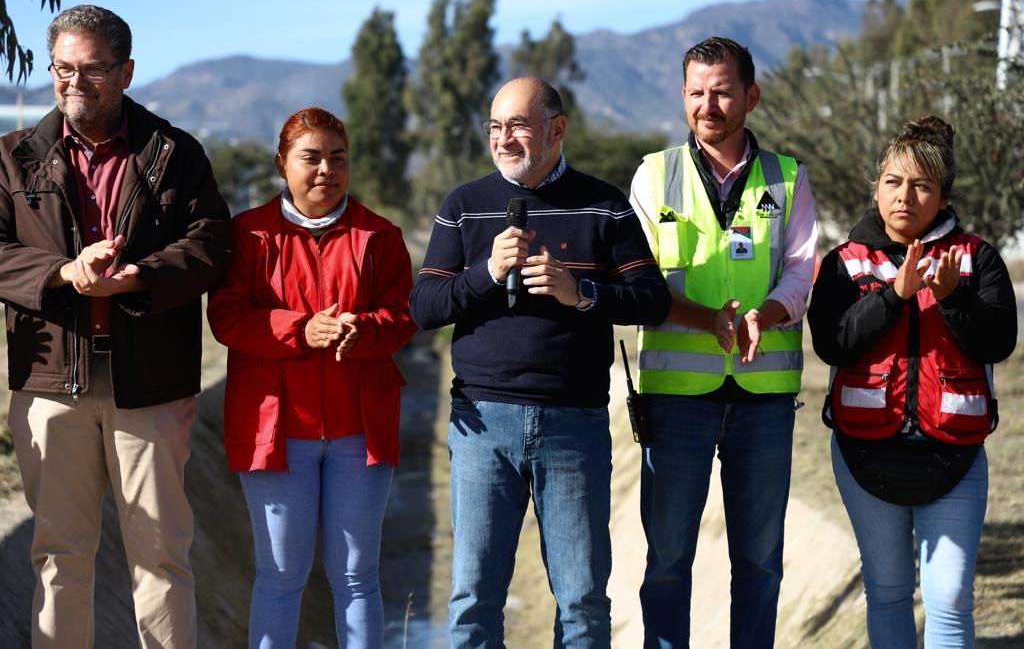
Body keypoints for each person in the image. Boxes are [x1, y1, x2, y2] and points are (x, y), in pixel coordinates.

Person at [409, 77, 670, 648]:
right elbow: (424, 307)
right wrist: (485, 274)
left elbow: (653, 299)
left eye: (518, 126)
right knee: (474, 599)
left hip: (573, 423)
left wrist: (582, 294)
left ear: (556, 129)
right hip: (481, 423)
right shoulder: (464, 207)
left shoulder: (604, 204)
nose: (504, 139)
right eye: (495, 128)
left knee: (581, 600)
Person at [0, 5, 230, 648]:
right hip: (48, 386)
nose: (75, 82)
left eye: (93, 69)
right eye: (63, 69)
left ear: (126, 71)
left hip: (151, 384)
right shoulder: (12, 158)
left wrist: (139, 277)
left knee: (160, 558)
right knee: (58, 558)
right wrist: (63, 271)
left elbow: (212, 245)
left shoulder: (176, 154)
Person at [628, 36, 819, 648]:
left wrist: (766, 311)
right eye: (695, 92)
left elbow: (800, 268)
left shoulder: (787, 177)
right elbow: (639, 280)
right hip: (675, 400)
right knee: (666, 563)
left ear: (751, 96)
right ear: (683, 96)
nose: (707, 104)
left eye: (722, 91)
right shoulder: (653, 176)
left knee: (760, 563)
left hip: (763, 399)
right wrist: (700, 319)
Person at [207, 106, 415, 648]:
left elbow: (402, 317)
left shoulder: (379, 236)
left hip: (359, 433)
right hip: (276, 432)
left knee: (356, 577)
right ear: (282, 163)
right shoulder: (248, 235)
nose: (326, 169)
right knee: (279, 577)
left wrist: (361, 329)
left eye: (338, 158)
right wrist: (302, 330)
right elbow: (226, 316)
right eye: (311, 157)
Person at [808, 116, 1017, 647]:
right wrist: (894, 295)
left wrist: (952, 298)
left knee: (949, 600)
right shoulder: (844, 263)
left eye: (922, 185)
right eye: (894, 182)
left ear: (943, 195)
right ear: (876, 188)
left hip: (956, 453)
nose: (906, 196)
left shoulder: (978, 260)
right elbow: (832, 342)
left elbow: (997, 343)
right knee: (888, 591)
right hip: (864, 454)